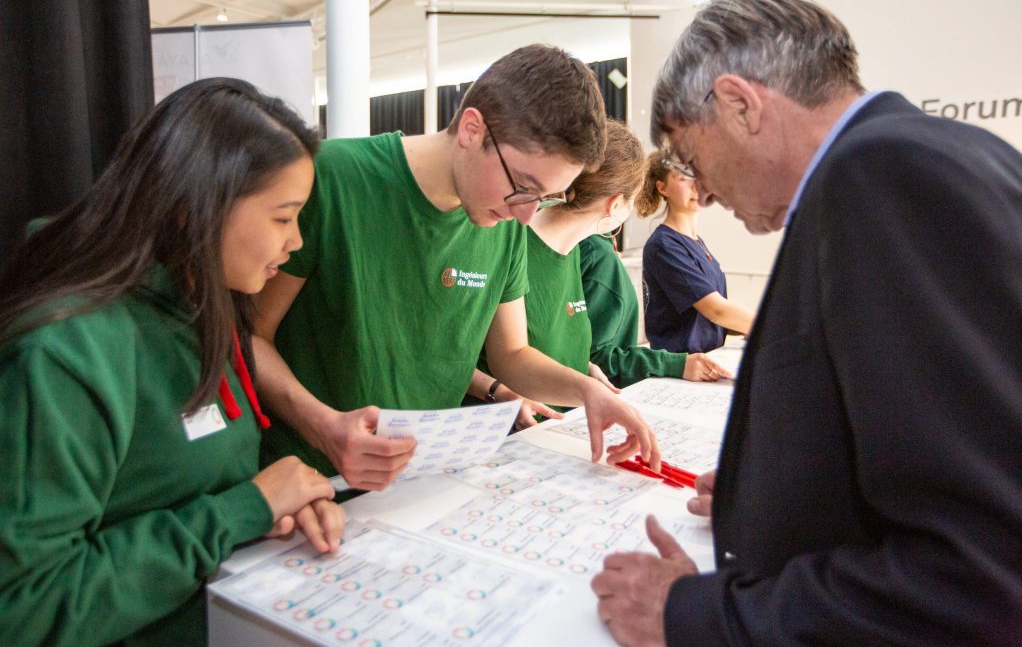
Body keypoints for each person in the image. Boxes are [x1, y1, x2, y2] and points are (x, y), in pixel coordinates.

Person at [592, 0, 1022, 645]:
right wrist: (772, 499)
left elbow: (973, 572)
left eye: (692, 158)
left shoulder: (884, 177)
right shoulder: (920, 156)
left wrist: (698, 616)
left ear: (740, 104)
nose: (704, 190)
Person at [0, 78, 345, 646]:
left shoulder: (207, 302)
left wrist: (273, 512)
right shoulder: (65, 353)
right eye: (283, 218)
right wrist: (242, 510)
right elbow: (26, 609)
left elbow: (186, 484)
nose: (296, 242)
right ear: (196, 209)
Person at [253, 44, 660, 492]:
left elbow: (512, 354)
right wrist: (323, 427)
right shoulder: (334, 178)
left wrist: (587, 391)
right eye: (524, 187)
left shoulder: (504, 223)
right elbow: (249, 336)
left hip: (422, 480)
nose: (526, 214)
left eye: (545, 198)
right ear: (471, 129)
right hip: (312, 485)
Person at [470, 121, 730, 426]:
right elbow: (500, 353)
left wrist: (582, 367)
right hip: (508, 431)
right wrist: (499, 391)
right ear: (616, 204)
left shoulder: (572, 249)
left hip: (560, 424)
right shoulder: (512, 243)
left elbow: (555, 345)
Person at [638, 150, 755, 353]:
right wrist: (765, 325)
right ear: (663, 188)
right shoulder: (664, 245)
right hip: (681, 365)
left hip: (707, 361)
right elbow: (716, 310)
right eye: (685, 179)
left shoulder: (696, 243)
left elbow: (708, 320)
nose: (696, 186)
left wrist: (745, 327)